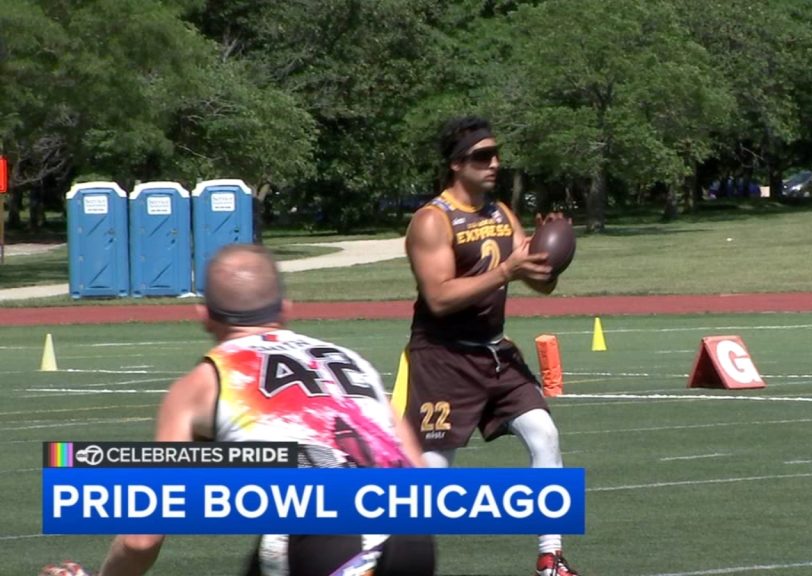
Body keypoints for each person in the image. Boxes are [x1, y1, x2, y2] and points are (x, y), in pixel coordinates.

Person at [45, 244, 434, 576]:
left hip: (324, 536)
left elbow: (142, 536)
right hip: (411, 537)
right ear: (285, 308)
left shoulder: (202, 383)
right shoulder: (349, 360)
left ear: (204, 316)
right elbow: (418, 475)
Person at [397, 116, 581, 576]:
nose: (494, 163)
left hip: (495, 353)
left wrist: (548, 255)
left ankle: (550, 558)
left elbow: (540, 283)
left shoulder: (501, 212)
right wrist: (504, 272)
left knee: (545, 434)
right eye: (482, 156)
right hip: (443, 356)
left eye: (496, 154)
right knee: (433, 474)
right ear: (457, 164)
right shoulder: (432, 220)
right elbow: (438, 297)